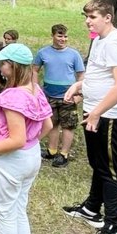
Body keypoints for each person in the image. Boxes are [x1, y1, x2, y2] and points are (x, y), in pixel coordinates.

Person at [62, 0, 117, 234]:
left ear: (108, 17)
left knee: (110, 170)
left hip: (109, 116)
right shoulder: (100, 39)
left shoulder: (114, 42)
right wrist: (79, 87)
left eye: (93, 17)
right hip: (94, 110)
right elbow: (108, 74)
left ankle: (112, 229)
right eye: (86, 16)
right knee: (98, 163)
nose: (87, 21)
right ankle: (92, 207)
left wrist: (97, 113)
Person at [0, 44, 53, 234]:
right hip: (30, 158)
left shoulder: (13, 97)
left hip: (10, 161)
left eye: (3, 63)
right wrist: (30, 145)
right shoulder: (35, 90)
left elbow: (16, 139)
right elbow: (47, 127)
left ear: (12, 67)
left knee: (5, 211)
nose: (0, 66)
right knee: (18, 208)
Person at [33, 24, 85, 168]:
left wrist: (79, 94)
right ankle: (52, 150)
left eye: (65, 36)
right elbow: (35, 70)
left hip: (67, 97)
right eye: (59, 36)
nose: (63, 39)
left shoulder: (74, 54)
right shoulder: (43, 53)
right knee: (52, 124)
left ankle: (64, 154)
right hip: (48, 96)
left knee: (68, 125)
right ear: (53, 36)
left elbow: (81, 75)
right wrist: (36, 88)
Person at [0, 29, 19, 94]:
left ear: (15, 39)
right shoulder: (2, 50)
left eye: (9, 39)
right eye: (5, 38)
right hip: (2, 80)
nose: (6, 40)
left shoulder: (18, 52)